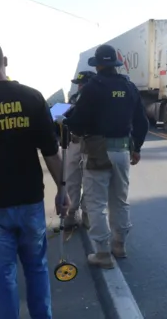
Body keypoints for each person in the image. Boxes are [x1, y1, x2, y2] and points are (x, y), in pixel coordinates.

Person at [0, 40, 71, 319]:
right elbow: (51, 152)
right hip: (30, 200)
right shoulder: (31, 97)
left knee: (3, 273)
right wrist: (62, 189)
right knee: (37, 268)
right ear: (5, 61)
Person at [63, 44, 149, 269]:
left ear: (99, 65)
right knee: (119, 200)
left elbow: (79, 121)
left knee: (96, 203)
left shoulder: (92, 88)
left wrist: (67, 123)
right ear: (116, 64)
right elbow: (142, 122)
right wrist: (136, 148)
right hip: (122, 150)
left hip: (97, 151)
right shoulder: (129, 87)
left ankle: (102, 253)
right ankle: (119, 245)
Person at [62, 70, 97, 230]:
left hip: (90, 143)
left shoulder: (97, 98)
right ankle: (71, 213)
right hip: (74, 142)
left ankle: (87, 213)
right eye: (78, 84)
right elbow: (58, 115)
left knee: (90, 181)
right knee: (71, 179)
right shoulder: (75, 98)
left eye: (82, 84)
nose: (79, 87)